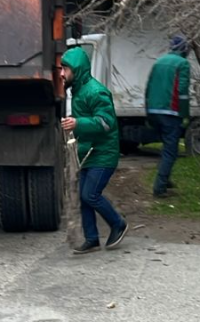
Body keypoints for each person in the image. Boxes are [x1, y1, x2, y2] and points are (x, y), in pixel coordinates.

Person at [60, 47, 129, 255]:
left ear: (77, 69)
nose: (61, 73)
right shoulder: (80, 91)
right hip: (89, 153)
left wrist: (77, 123)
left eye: (65, 69)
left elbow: (107, 122)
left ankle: (118, 224)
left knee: (90, 194)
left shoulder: (95, 91)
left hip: (103, 153)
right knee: (84, 196)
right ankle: (91, 239)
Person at [145, 35, 191, 197]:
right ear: (184, 49)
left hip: (154, 111)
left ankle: (166, 179)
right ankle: (160, 187)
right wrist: (185, 115)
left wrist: (147, 113)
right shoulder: (183, 64)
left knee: (166, 148)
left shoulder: (158, 62)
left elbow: (148, 88)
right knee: (171, 150)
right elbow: (183, 91)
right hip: (171, 112)